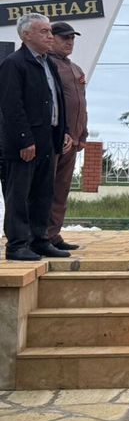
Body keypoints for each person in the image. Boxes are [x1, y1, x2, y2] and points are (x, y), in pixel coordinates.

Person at [0, 13, 72, 261]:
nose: (50, 36)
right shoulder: (14, 64)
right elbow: (11, 106)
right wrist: (24, 140)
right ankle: (17, 245)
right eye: (44, 32)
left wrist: (63, 130)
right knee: (19, 196)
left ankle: (40, 241)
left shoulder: (48, 63)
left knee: (43, 193)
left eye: (50, 31)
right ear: (26, 35)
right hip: (23, 143)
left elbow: (56, 100)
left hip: (47, 139)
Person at [46, 21, 88, 251]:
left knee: (61, 189)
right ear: (51, 38)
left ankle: (53, 234)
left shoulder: (76, 68)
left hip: (73, 139)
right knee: (45, 188)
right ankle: (39, 236)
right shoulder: (47, 65)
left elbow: (81, 104)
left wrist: (83, 132)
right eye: (64, 38)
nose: (70, 42)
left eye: (72, 38)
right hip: (54, 139)